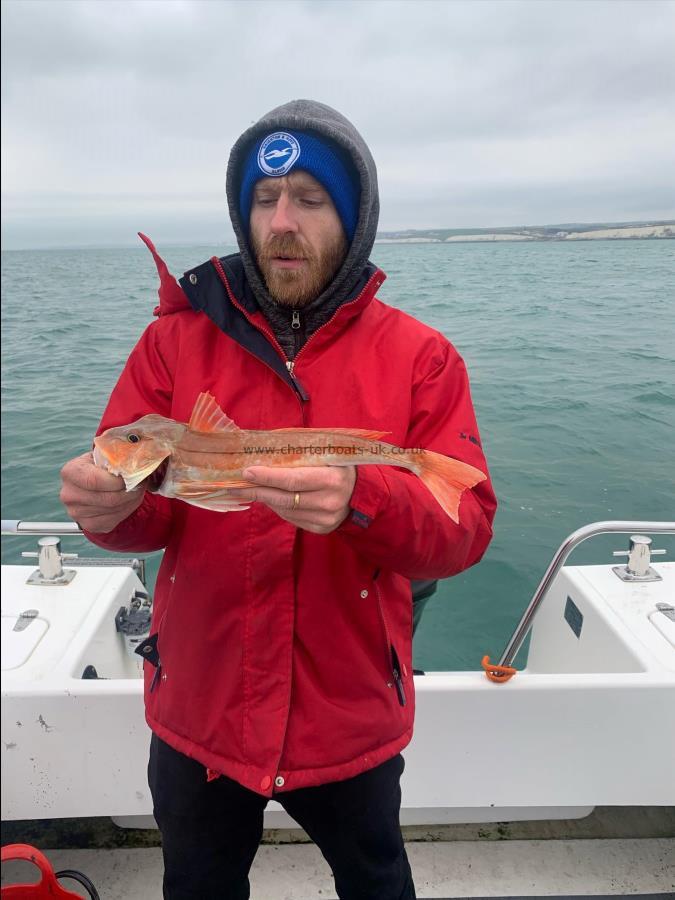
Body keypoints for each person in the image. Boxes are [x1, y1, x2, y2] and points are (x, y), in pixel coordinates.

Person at [60, 99, 497, 900]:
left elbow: (463, 530)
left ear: (353, 216)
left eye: (309, 197)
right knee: (196, 886)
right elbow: (151, 509)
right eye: (265, 200)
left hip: (349, 706)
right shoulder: (171, 342)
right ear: (242, 212)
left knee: (375, 881)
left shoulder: (422, 358)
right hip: (203, 703)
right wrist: (106, 508)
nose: (282, 221)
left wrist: (361, 500)